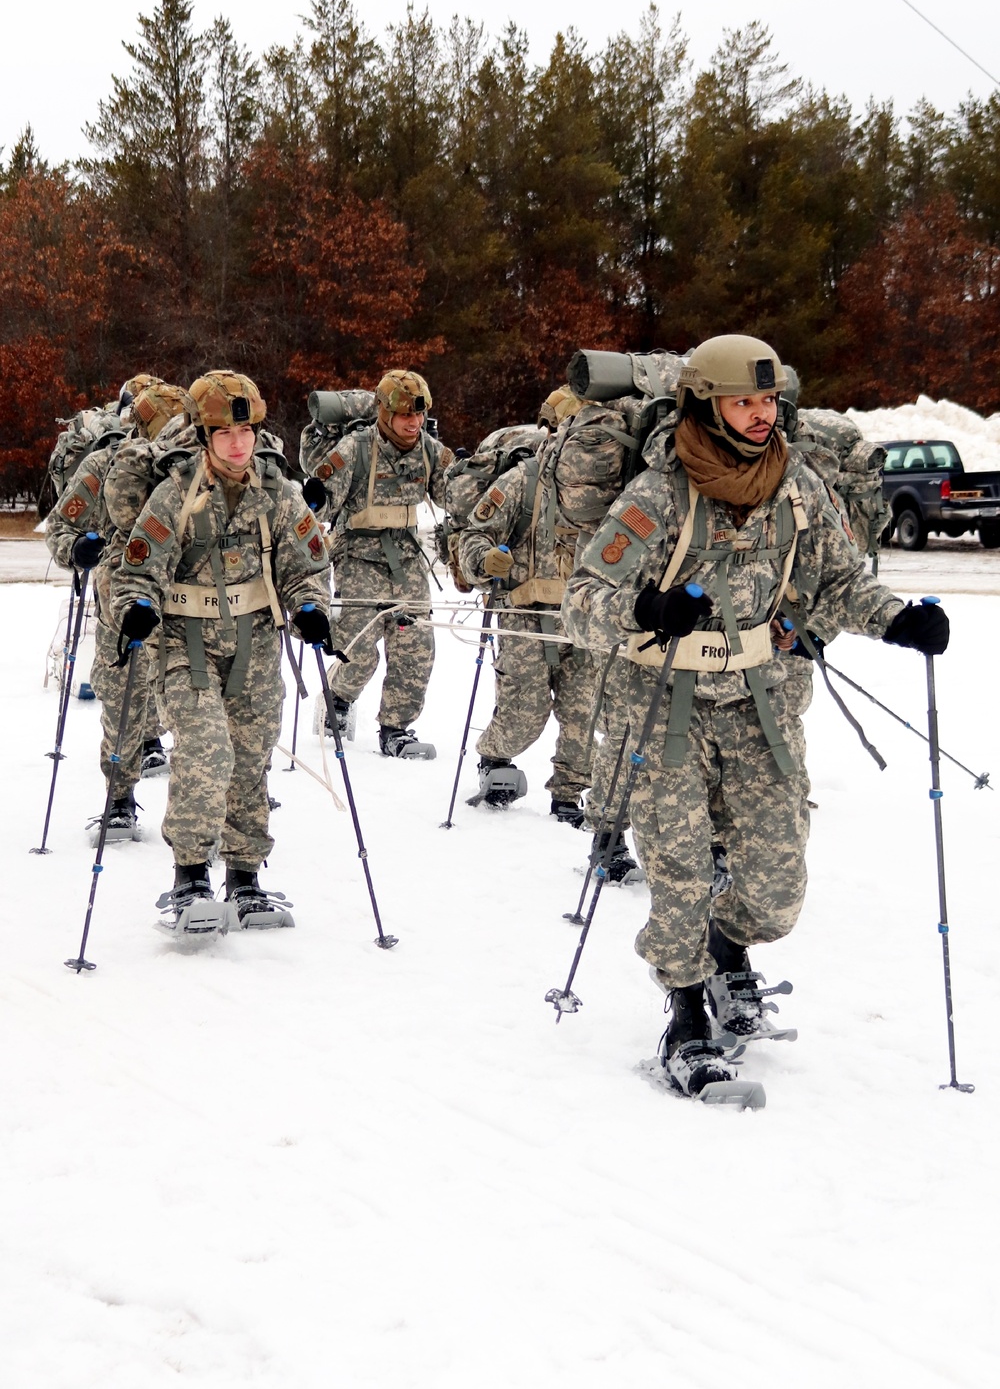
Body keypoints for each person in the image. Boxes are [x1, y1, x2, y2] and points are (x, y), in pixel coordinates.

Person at [562, 334, 949, 1101]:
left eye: (770, 401)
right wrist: (646, 606)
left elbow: (839, 580)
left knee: (777, 885)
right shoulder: (658, 496)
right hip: (665, 701)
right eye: (745, 401)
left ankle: (729, 950)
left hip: (758, 700)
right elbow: (581, 601)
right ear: (706, 405)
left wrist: (897, 618)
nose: (762, 416)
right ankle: (684, 1018)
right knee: (678, 873)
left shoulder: (796, 486)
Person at [111, 370, 332, 934]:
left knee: (251, 756)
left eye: (247, 431)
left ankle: (244, 873)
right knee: (209, 749)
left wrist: (310, 609)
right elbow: (139, 569)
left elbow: (308, 568)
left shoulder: (277, 492)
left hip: (255, 645)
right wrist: (138, 605)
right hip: (187, 644)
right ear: (205, 436)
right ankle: (189, 876)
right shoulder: (175, 491)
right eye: (225, 433)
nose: (238, 443)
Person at [44, 379, 182, 839]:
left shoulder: (195, 468)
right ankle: (120, 796)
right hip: (121, 598)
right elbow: (60, 525)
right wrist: (77, 549)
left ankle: (228, 801)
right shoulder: (104, 464)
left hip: (187, 605)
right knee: (124, 698)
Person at [300, 370, 453, 759]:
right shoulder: (356, 448)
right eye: (405, 415)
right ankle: (338, 697)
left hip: (405, 555)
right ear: (385, 414)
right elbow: (323, 497)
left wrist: (472, 476)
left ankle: (397, 728)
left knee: (416, 646)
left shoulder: (429, 450)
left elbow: (453, 491)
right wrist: (316, 499)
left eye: (419, 415)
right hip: (358, 554)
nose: (413, 423)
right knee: (358, 647)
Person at [457, 403, 596, 820]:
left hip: (584, 615)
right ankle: (495, 757)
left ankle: (569, 794)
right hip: (523, 611)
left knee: (582, 710)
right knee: (526, 707)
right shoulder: (521, 481)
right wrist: (484, 561)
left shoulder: (606, 488)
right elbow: (474, 536)